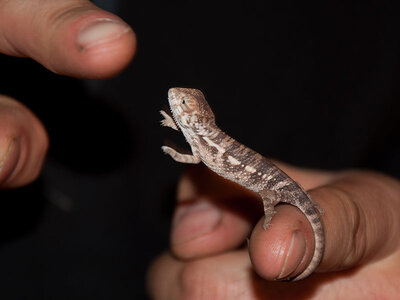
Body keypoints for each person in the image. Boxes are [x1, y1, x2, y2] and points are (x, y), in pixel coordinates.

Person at [1, 1, 399, 299]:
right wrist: (176, 130)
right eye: (182, 106)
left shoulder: (207, 139)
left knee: (274, 212)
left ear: (198, 115)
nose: (178, 101)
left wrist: (179, 150)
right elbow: (197, 149)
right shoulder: (202, 134)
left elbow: (197, 155)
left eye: (185, 106)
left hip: (269, 184)